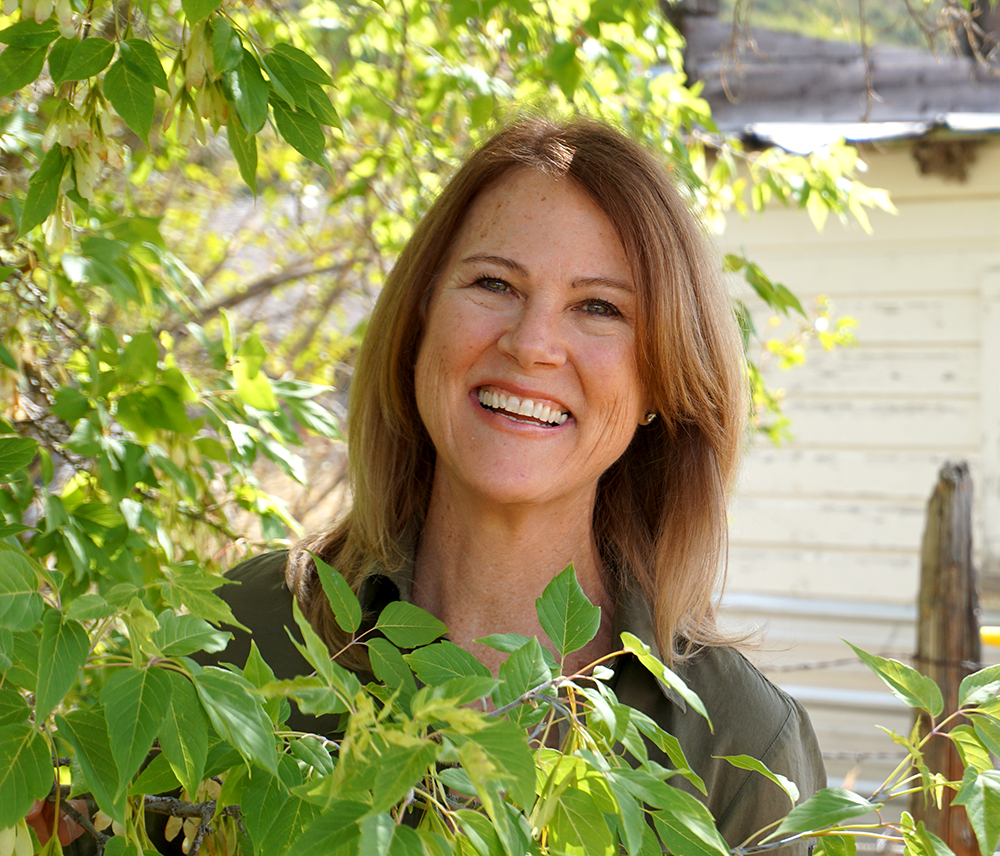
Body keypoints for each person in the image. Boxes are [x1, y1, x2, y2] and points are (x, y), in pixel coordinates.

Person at [217, 114, 826, 852]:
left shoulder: (742, 745)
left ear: (663, 376)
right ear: (419, 322)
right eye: (494, 283)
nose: (532, 343)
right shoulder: (240, 634)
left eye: (599, 307)